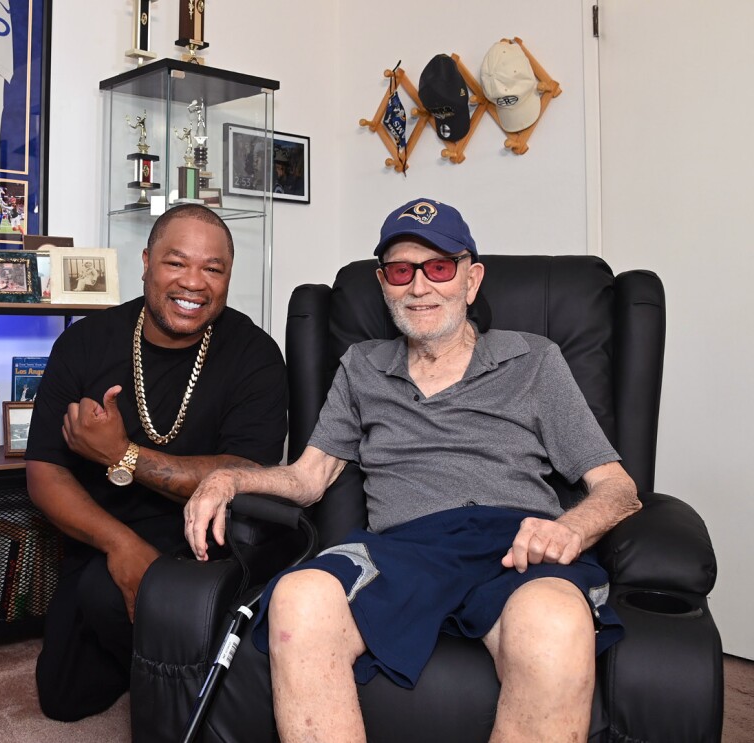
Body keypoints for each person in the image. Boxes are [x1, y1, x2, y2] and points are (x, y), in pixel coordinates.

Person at [183, 198, 641, 742]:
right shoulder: (362, 367)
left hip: (512, 544)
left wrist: (569, 529)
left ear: (472, 280)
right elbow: (307, 479)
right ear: (384, 284)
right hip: (401, 549)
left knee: (556, 622)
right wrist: (229, 478)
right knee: (298, 599)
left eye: (440, 268)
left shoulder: (534, 359)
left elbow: (618, 488)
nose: (419, 287)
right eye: (402, 271)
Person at [25, 203, 288, 721]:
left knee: (142, 644)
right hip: (104, 531)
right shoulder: (85, 342)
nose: (194, 282)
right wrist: (120, 544)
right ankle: (150, 662)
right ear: (146, 262)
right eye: (176, 262)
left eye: (213, 269)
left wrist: (120, 454)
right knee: (62, 697)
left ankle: (193, 686)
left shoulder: (255, 353)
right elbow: (44, 472)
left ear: (228, 276)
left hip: (209, 542)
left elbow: (245, 475)